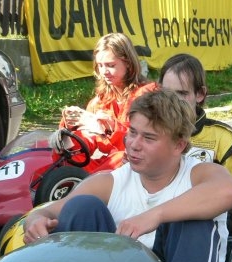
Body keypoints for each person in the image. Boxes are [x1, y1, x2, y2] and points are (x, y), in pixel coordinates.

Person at [25, 89, 232, 262]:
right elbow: (48, 211)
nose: (134, 145)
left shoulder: (198, 173)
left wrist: (155, 216)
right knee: (81, 207)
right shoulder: (113, 181)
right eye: (132, 132)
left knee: (191, 221)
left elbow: (230, 191)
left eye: (149, 138)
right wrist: (35, 221)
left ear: (178, 145)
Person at [158, 54, 232, 237]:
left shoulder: (223, 138)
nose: (172, 102)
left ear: (200, 94)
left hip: (203, 222)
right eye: (167, 93)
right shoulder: (147, 134)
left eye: (181, 94)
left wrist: (209, 218)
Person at [55, 32, 158, 173]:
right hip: (109, 165)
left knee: (120, 158)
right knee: (63, 155)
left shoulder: (147, 94)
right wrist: (69, 130)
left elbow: (142, 143)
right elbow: (88, 141)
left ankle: (89, 183)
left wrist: (111, 127)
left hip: (137, 162)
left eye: (110, 65)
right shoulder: (102, 99)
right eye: (100, 66)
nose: (104, 72)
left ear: (128, 63)